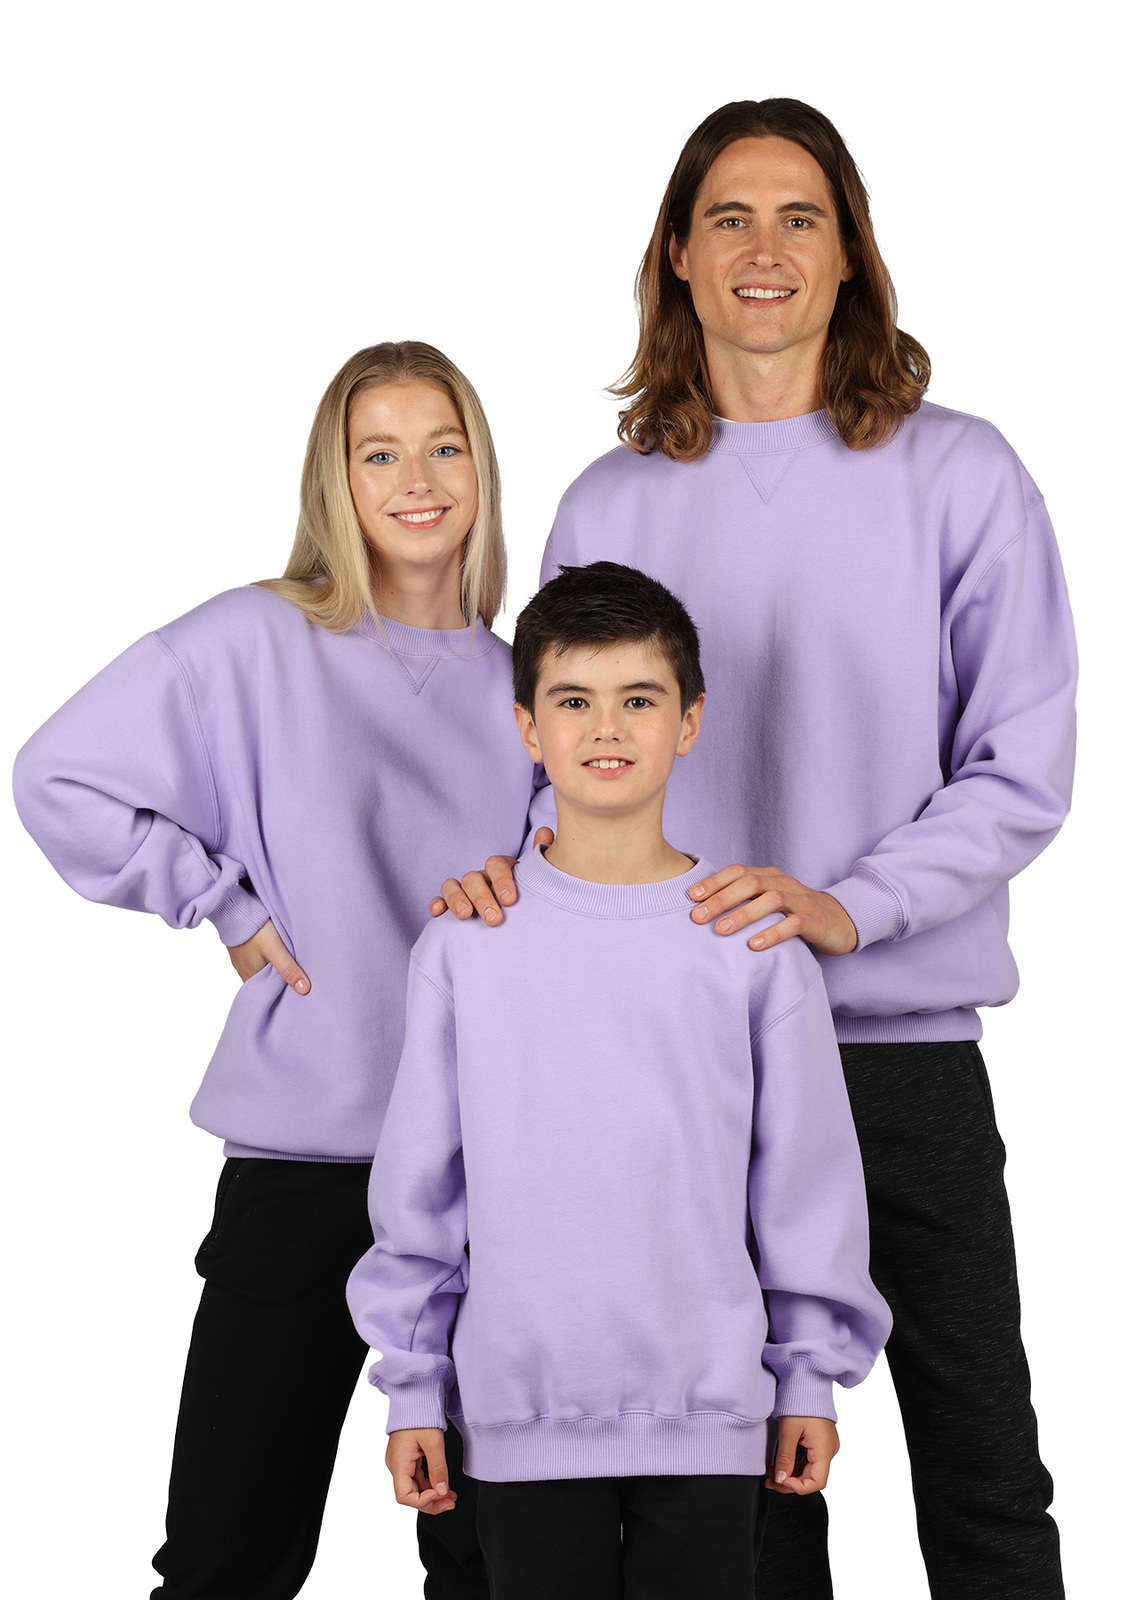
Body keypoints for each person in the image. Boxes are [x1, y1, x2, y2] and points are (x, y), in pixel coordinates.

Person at [434, 101, 1076, 1599]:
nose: (764, 248)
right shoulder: (611, 500)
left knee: (980, 1462)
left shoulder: (962, 476)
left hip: (897, 1047)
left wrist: (847, 907)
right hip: (675, 1054)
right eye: (728, 216)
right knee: (747, 1490)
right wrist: (509, 879)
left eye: (801, 217)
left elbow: (1021, 766)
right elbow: (565, 755)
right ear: (677, 252)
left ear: (851, 254)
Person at [12, 341, 537, 1600]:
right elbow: (57, 775)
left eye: (445, 446)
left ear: (482, 468)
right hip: (308, 1160)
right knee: (228, 1558)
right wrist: (222, 904)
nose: (418, 480)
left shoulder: (530, 685)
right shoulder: (256, 639)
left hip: (492, 1176)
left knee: (497, 1565)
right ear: (334, 482)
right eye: (379, 453)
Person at [350, 561, 891, 1600]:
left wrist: (808, 1378)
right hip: (518, 1416)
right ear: (527, 727)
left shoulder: (753, 946)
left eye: (638, 700)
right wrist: (412, 1388)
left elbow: (804, 1186)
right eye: (573, 701)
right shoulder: (467, 945)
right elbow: (421, 1188)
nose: (606, 728)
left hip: (712, 1419)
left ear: (690, 722)